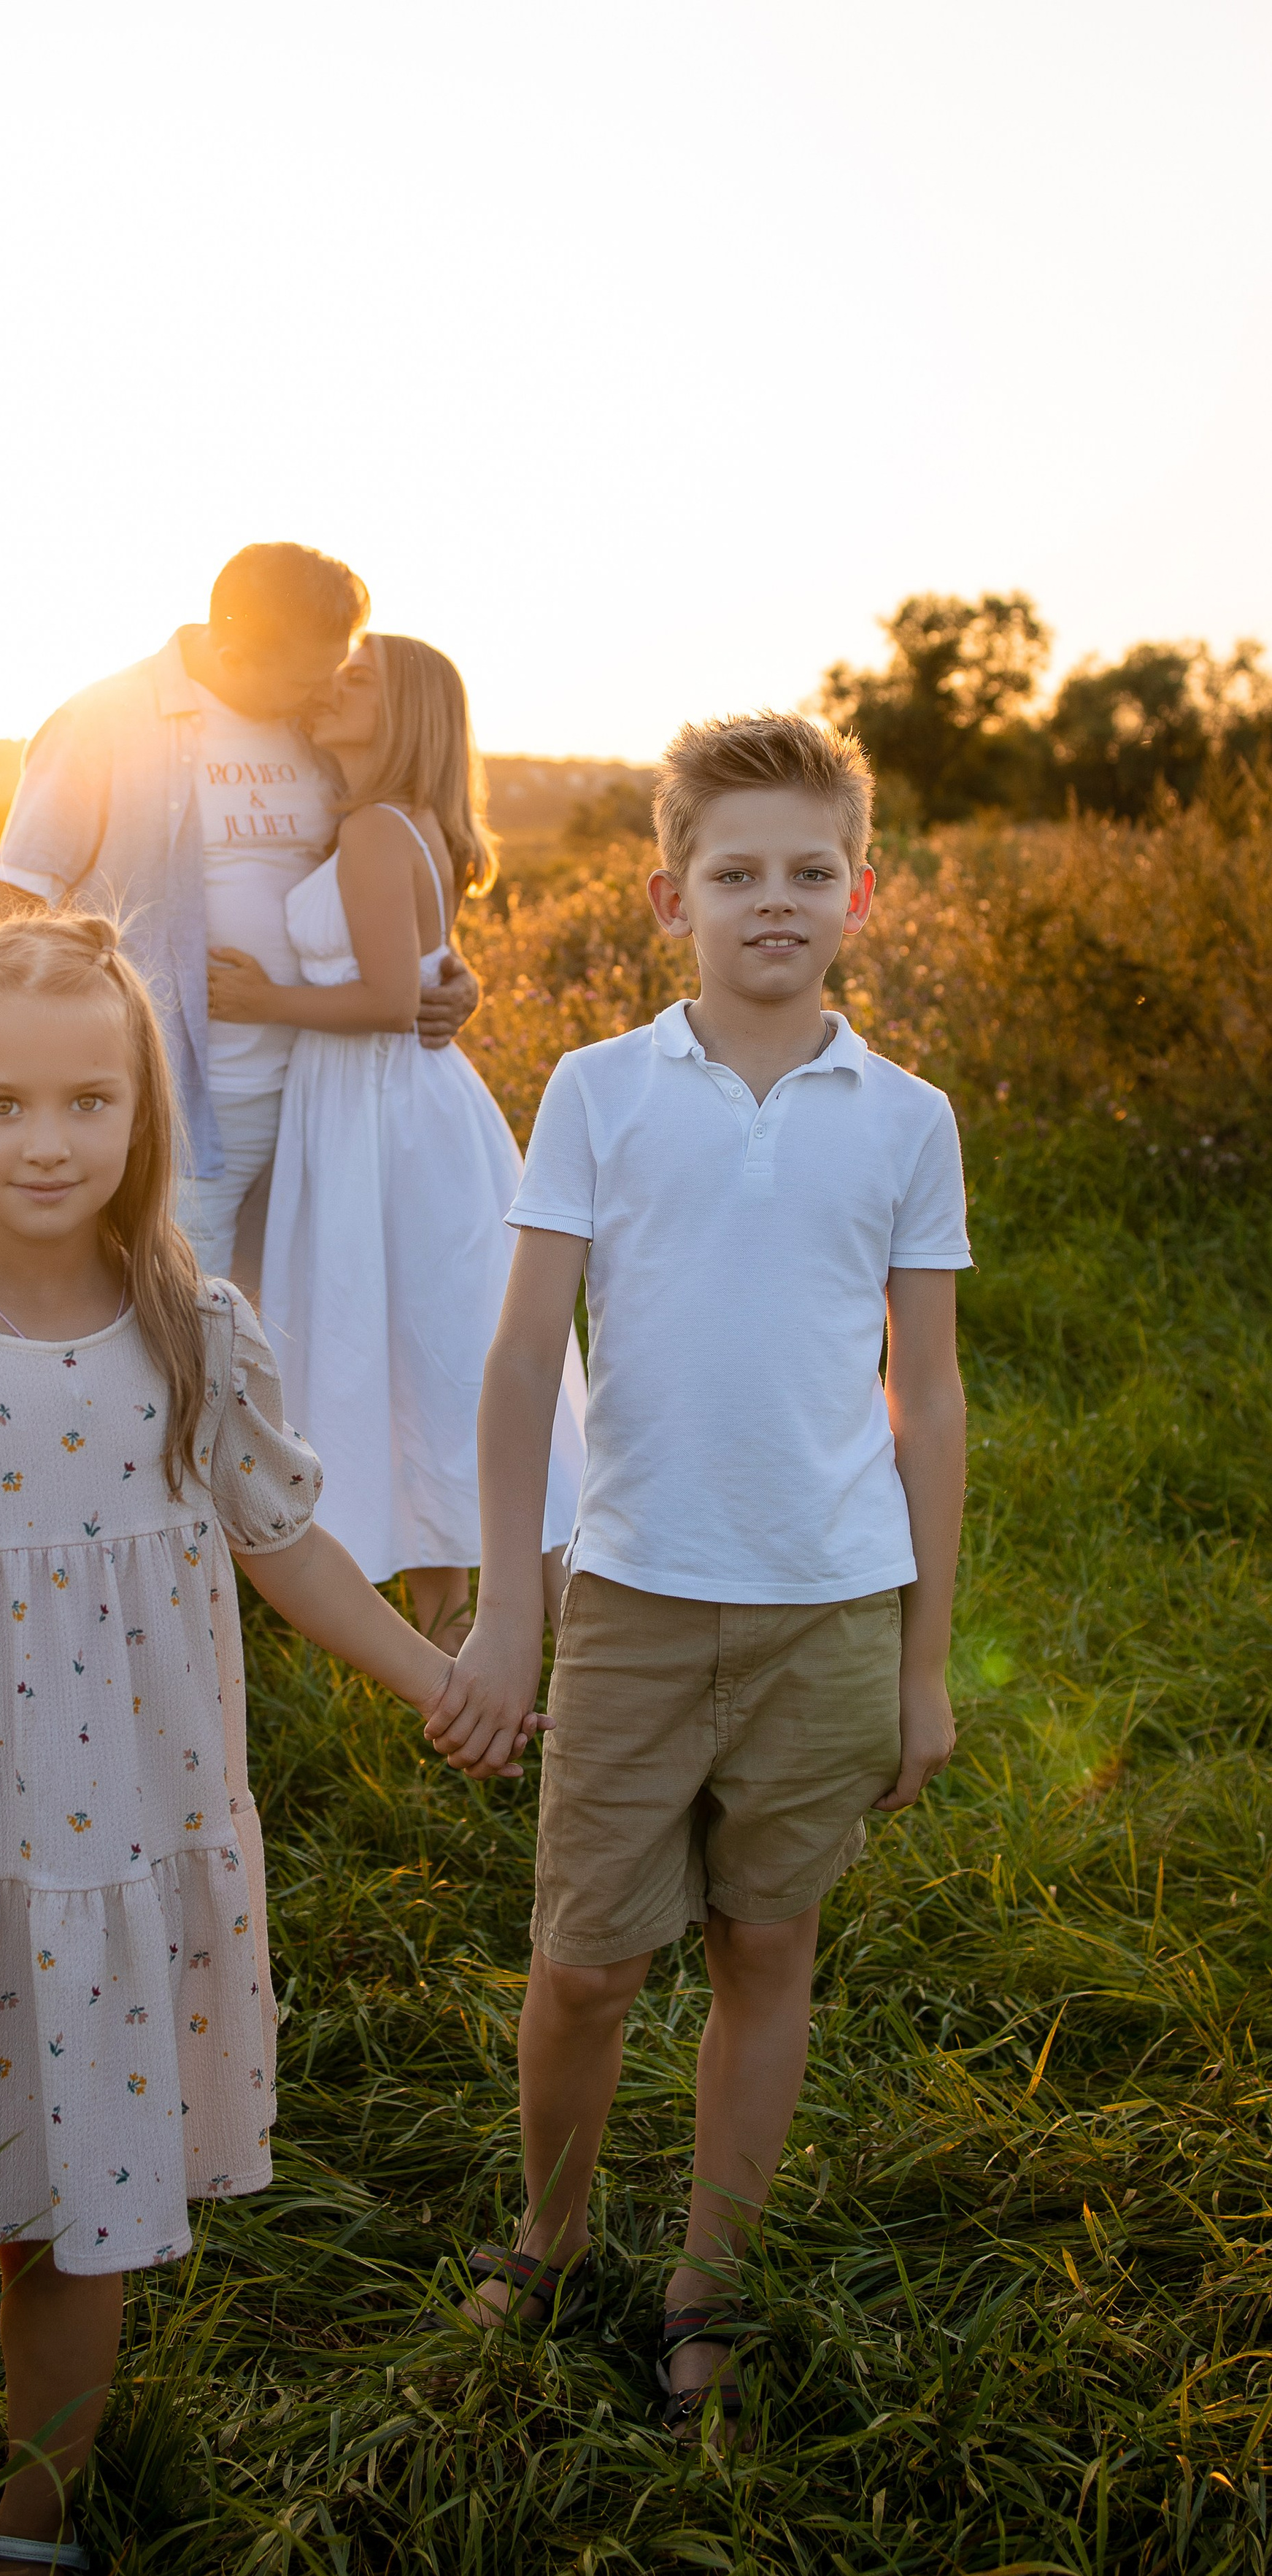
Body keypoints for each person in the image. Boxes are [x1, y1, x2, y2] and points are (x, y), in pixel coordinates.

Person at [0, 912, 511, 2576]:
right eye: (1, 1102)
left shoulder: (191, 1329)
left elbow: (287, 1544)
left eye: (88, 1099)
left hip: (121, 1848)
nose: (47, 1139)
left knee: (71, 2214)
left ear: (140, 1112)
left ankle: (36, 2525)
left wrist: (432, 1675)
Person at [426, 713, 970, 2437]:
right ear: (667, 894)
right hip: (636, 1598)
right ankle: (553, 2231)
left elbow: (929, 1392)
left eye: (807, 871)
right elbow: (520, 1359)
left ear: (859, 895)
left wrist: (921, 1658)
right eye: (734, 872)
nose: (771, 901)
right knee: (583, 1960)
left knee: (765, 1941)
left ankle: (705, 2277)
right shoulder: (595, 1089)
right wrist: (515, 1599)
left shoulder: (902, 1117)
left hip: (824, 1606)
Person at [205, 633, 585, 1652]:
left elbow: (386, 998)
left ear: (408, 712)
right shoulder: (388, 823)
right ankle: (457, 1645)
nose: (333, 684)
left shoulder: (377, 828)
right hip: (384, 1112)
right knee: (421, 1367)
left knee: (437, 1359)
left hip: (391, 1122)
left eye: (360, 679)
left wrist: (257, 997)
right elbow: (420, 975)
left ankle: (530, 1639)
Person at [0, 543, 482, 1288]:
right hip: (184, 1098)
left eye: (337, 671)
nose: (324, 693)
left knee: (284, 1334)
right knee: (184, 1314)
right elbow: (15, 905)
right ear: (232, 650)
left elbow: (376, 877)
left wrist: (443, 970)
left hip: (324, 1098)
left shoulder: (314, 733)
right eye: (307, 678)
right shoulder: (106, 721)